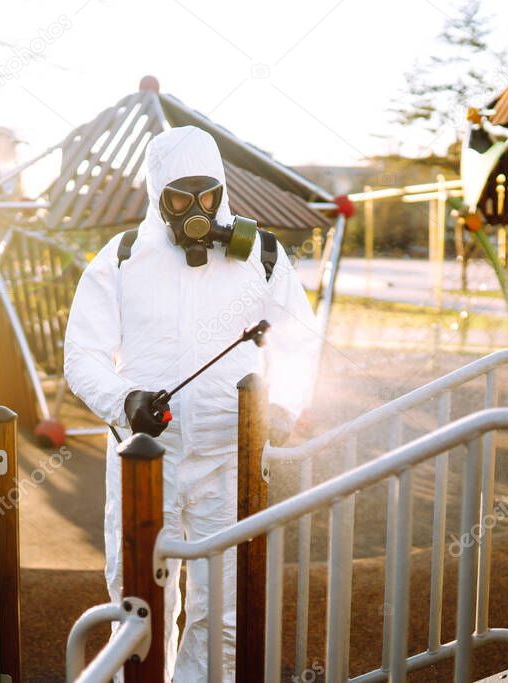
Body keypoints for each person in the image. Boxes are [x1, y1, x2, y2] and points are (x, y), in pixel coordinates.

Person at [64, 125, 319, 680]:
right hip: (145, 460)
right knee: (138, 601)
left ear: (222, 190)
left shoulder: (261, 256)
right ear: (158, 196)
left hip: (230, 457)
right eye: (180, 197)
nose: (195, 209)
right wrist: (121, 400)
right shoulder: (123, 258)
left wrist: (286, 405)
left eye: (207, 194)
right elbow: (82, 354)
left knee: (222, 610)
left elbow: (300, 339)